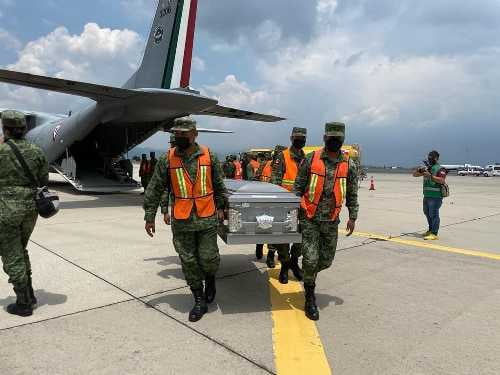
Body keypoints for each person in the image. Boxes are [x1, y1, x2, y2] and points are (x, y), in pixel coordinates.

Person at [143, 117, 226, 322]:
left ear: (194, 134)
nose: (179, 136)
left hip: (207, 217)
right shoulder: (167, 158)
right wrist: (150, 216)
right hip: (182, 219)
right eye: (177, 133)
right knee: (188, 261)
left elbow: (218, 184)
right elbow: (155, 188)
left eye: (183, 133)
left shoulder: (209, 155)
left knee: (208, 258)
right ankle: (199, 300)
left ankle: (211, 279)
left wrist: (222, 207)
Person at [294, 122, 359, 321]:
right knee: (311, 259)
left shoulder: (349, 164)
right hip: (310, 217)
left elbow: (352, 193)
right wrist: (296, 208)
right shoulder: (311, 159)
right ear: (324, 138)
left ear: (343, 140)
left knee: (326, 260)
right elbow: (298, 185)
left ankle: (309, 275)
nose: (334, 142)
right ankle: (310, 296)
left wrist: (353, 216)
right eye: (331, 139)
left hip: (331, 219)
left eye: (338, 139)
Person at [0, 110, 49, 317]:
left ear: (5, 129)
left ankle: (23, 304)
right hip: (30, 210)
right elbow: (43, 180)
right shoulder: (37, 151)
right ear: (24, 129)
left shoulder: (1, 151)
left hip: (6, 209)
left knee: (12, 255)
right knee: (20, 250)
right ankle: (29, 295)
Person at [271, 127, 308, 283]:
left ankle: (294, 261)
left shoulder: (306, 158)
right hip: (286, 204)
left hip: (302, 204)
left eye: (303, 138)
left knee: (302, 235)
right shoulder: (283, 156)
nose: (300, 140)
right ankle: (285, 265)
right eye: (298, 137)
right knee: (284, 236)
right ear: (291, 138)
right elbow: (275, 181)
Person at [412, 150, 447, 240]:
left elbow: (442, 180)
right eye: (429, 157)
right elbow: (414, 175)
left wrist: (430, 176)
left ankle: (434, 233)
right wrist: (420, 170)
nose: (429, 158)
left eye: (431, 157)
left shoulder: (440, 169)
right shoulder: (427, 168)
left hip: (436, 197)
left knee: (434, 214)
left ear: (436, 158)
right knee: (426, 212)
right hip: (427, 196)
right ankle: (430, 230)